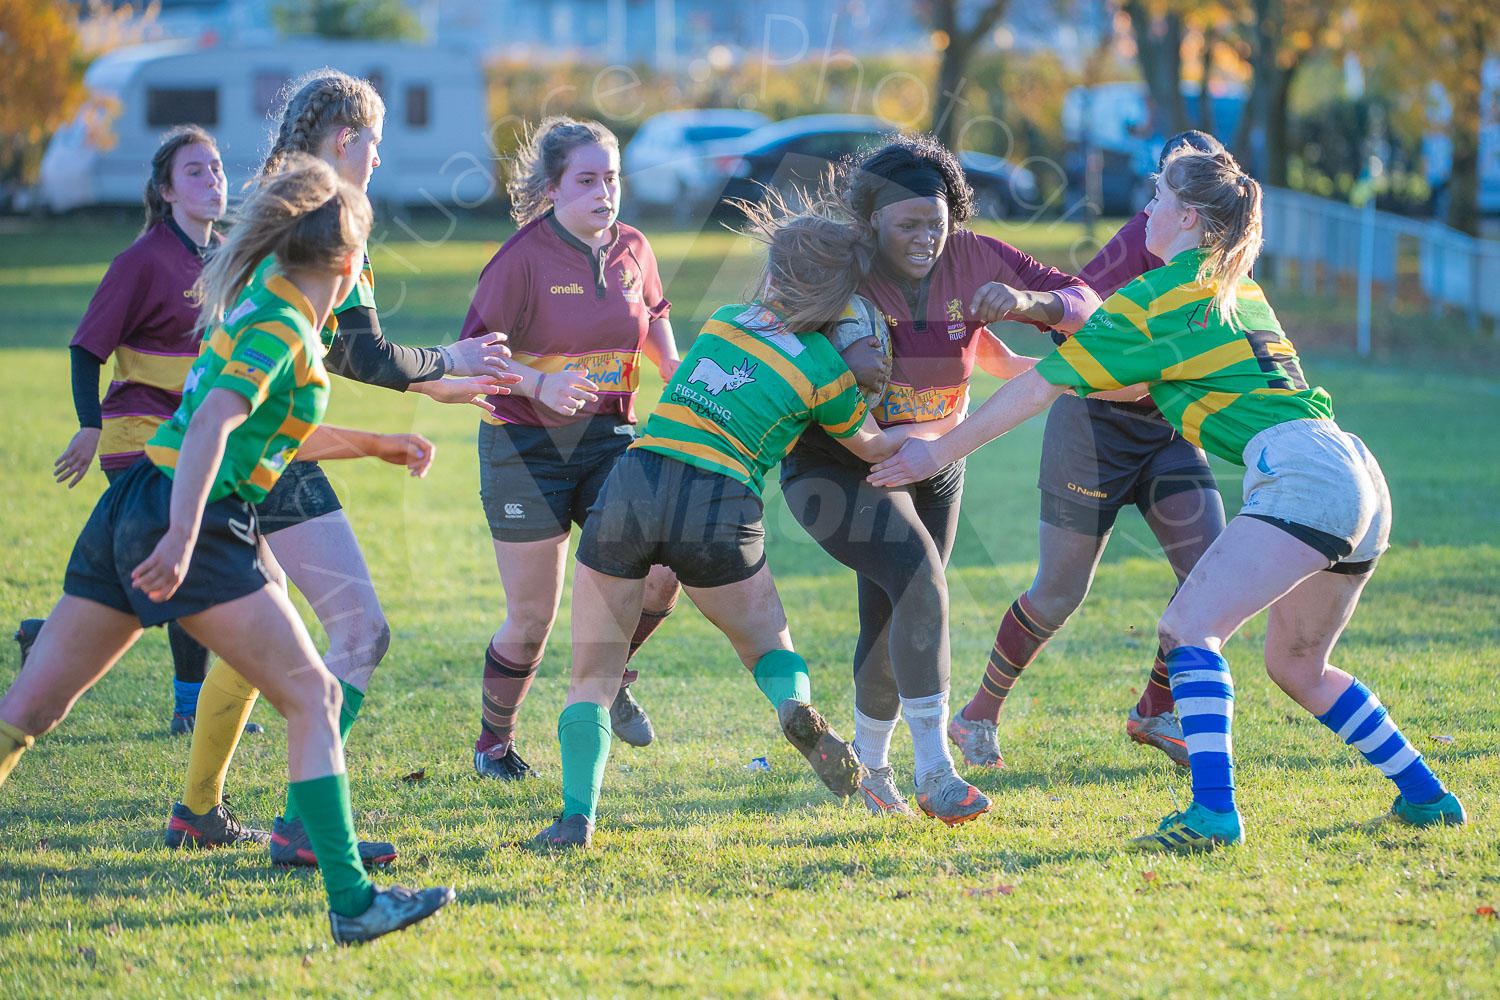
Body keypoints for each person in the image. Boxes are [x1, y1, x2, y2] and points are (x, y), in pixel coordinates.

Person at [868, 149, 1468, 851]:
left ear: (1187, 216)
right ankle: (1428, 795)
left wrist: (939, 450)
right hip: (1355, 471)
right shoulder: (1233, 287)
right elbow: (1125, 384)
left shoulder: (1157, 298)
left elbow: (1040, 389)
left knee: (1188, 630)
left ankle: (1213, 814)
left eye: (1157, 197)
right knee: (1297, 666)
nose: (1145, 209)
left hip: (1301, 477)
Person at [0, 157, 456, 942]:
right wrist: (182, 538)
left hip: (134, 500)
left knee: (31, 710)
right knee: (312, 698)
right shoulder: (282, 321)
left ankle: (317, 876)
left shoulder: (264, 304)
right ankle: (353, 903)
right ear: (350, 266)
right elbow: (212, 419)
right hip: (196, 518)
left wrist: (376, 443)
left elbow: (256, 423)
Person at [165, 70, 518, 864]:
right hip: (261, 449)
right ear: (346, 140)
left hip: (242, 442)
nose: (381, 163)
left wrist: (442, 384)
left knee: (265, 631)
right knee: (359, 629)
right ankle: (299, 825)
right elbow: (361, 349)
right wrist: (446, 357)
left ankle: (198, 811)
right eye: (378, 145)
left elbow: (336, 349)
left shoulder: (280, 196)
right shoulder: (325, 210)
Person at [534, 210, 919, 849]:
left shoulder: (723, 323)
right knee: (769, 648)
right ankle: (793, 707)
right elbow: (874, 450)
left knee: (592, 676)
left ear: (775, 274)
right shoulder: (826, 371)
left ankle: (578, 818)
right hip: (719, 503)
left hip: (635, 482)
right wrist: (937, 431)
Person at [778, 134, 1101, 823]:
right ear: (870, 224)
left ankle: (872, 771)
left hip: (935, 461)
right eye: (908, 225)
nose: (927, 237)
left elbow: (1084, 302)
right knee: (922, 582)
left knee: (896, 612)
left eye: (937, 220)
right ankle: (936, 773)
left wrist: (1025, 303)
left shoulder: (975, 255)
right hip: (840, 466)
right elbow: (766, 337)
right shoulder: (841, 262)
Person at [947, 130, 1230, 770]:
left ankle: (1155, 710)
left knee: (1210, 577)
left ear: (1198, 207)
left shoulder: (1228, 254)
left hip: (1167, 435)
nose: (1150, 202)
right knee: (1059, 592)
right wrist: (1033, 304)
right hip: (1094, 430)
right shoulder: (1141, 238)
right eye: (1156, 187)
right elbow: (1076, 320)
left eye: (1162, 189)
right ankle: (976, 716)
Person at [459, 116, 681, 782]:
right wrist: (539, 384)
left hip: (609, 436)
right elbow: (474, 359)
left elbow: (657, 314)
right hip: (523, 446)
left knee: (666, 570)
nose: (603, 193)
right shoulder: (520, 260)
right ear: (552, 188)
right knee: (532, 620)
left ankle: (605, 681)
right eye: (586, 180)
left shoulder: (635, 248)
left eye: (611, 179)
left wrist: (675, 368)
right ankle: (492, 745)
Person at [15, 126, 252, 737]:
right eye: (195, 171)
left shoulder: (224, 254)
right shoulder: (142, 259)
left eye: (217, 167)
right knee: (189, 557)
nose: (213, 179)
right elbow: (85, 349)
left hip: (195, 435)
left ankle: (45, 638)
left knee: (146, 575)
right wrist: (89, 426)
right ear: (166, 191)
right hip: (139, 435)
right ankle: (188, 707)